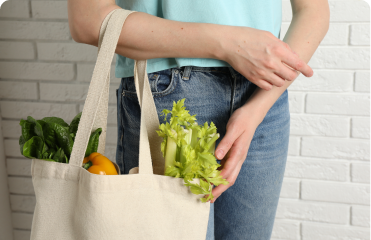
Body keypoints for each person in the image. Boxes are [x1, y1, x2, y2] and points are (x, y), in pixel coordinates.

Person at [68, 0, 330, 239]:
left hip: (264, 97)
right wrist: (231, 43)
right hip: (170, 98)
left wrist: (257, 108)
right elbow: (88, 21)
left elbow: (314, 10)